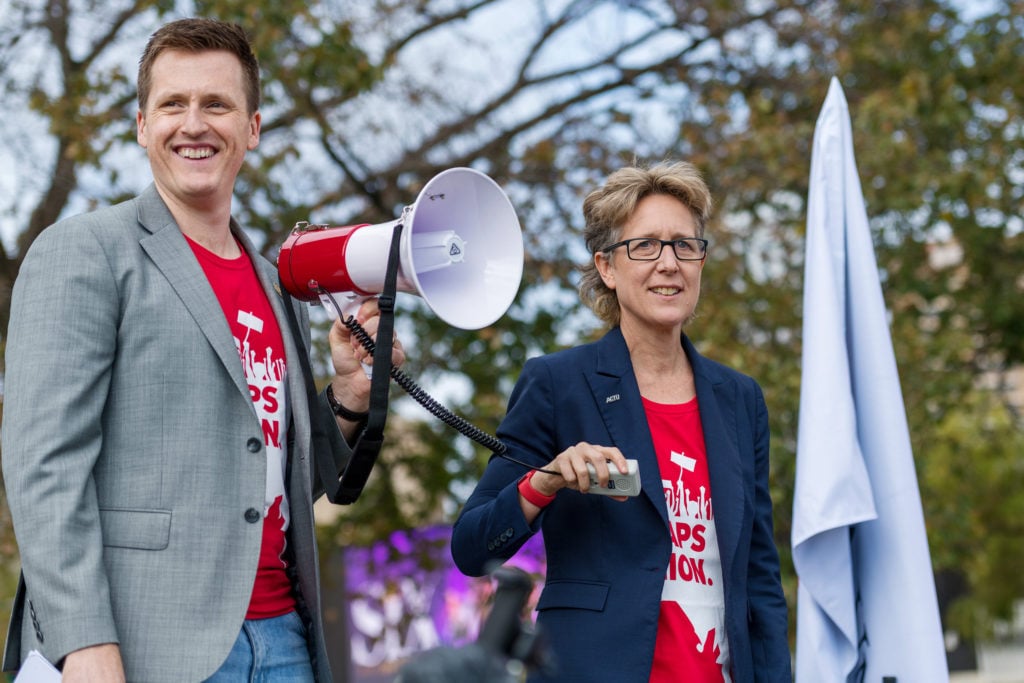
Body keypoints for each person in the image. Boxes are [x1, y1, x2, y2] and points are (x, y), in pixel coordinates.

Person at [1, 18, 403, 683]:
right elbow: (44, 464)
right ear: (140, 124)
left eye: (216, 104)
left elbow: (262, 482)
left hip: (285, 643)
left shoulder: (275, 283)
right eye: (172, 104)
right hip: (142, 643)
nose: (194, 123)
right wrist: (83, 640)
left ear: (252, 129)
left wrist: (351, 397)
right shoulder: (85, 251)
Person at [450, 162, 791, 682]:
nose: (669, 263)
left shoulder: (740, 399)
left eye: (684, 245)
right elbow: (473, 548)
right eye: (645, 246)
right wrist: (545, 482)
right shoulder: (557, 384)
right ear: (606, 267)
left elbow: (760, 577)